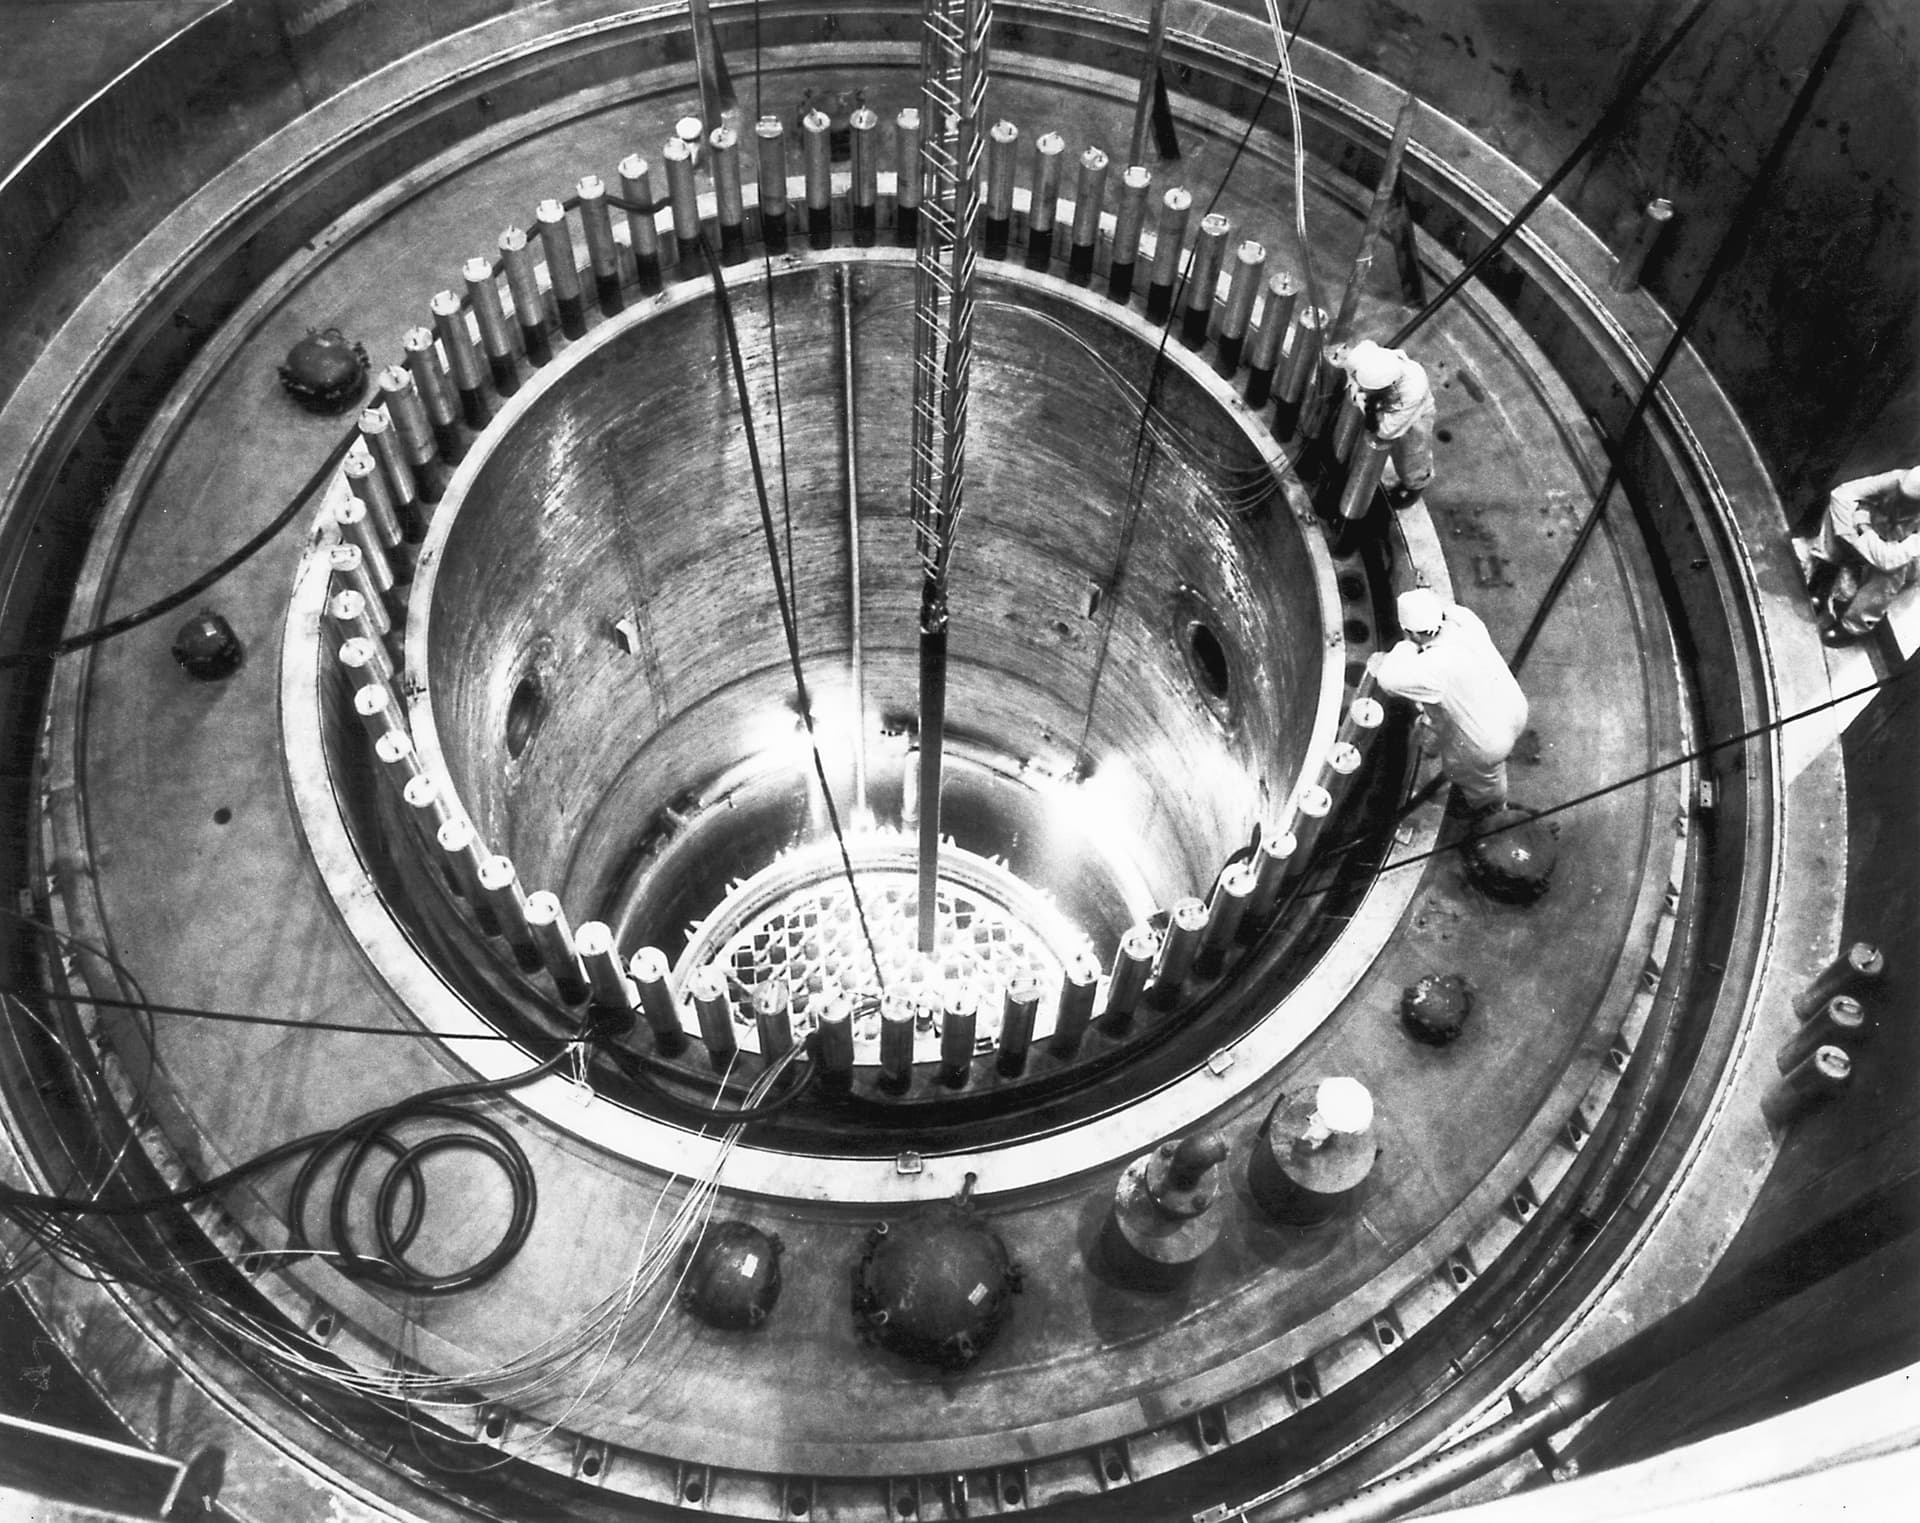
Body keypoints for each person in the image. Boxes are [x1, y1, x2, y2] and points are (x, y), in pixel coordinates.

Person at [1370, 587, 1528, 816]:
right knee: (1487, 764)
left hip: (1486, 744)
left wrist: (1405, 646)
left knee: (1476, 778)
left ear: (1413, 633)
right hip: (1512, 708)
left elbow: (1388, 680)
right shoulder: (1464, 619)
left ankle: (1491, 813)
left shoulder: (1435, 667)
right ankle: (1492, 800)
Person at [1803, 466, 1920, 644]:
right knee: (1837, 514)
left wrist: (1863, 527)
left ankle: (1853, 626)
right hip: (1880, 538)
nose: (1904, 502)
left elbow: (1889, 560)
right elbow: (1841, 495)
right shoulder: (1899, 479)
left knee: (1894, 570)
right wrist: (1852, 533)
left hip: (1904, 559)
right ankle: (1822, 582)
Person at [1339, 339, 1438, 508]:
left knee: (1411, 455)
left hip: (1414, 419)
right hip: (1386, 404)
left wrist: (1361, 399)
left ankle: (1415, 485)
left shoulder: (1411, 392)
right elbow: (1352, 361)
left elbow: (1386, 431)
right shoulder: (1372, 358)